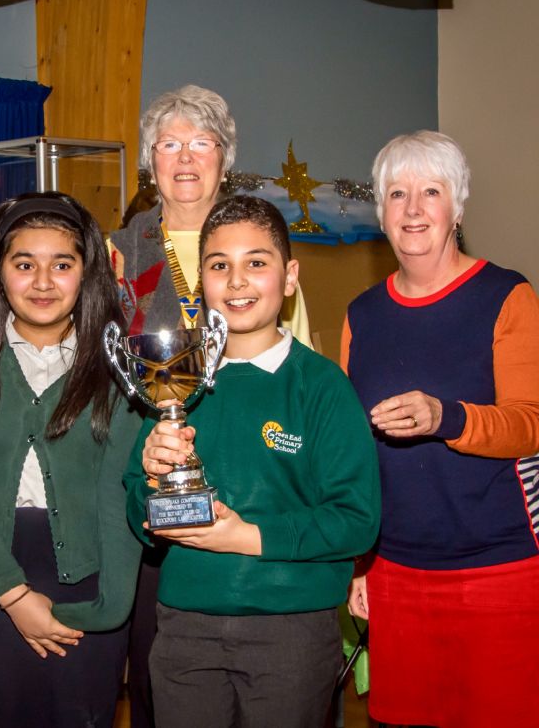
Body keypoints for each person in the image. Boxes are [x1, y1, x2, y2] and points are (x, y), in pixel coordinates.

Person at [126, 195, 380, 728]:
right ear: (202, 282)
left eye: (256, 263)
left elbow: (357, 521)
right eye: (220, 266)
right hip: (184, 631)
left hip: (291, 632)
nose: (237, 281)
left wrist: (249, 537)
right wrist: (150, 477)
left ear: (289, 278)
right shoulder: (175, 380)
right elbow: (137, 509)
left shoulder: (322, 386)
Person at [110, 84, 314, 727]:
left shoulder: (258, 243)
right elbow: (101, 366)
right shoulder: (120, 253)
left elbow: (299, 367)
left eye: (203, 142)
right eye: (169, 144)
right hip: (149, 476)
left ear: (226, 158)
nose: (186, 157)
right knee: (162, 675)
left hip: (260, 481)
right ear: (151, 162)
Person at [343, 130, 539, 728]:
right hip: (396, 573)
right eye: (396, 193)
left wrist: (445, 416)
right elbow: (357, 452)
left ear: (458, 205)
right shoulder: (363, 314)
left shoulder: (508, 296)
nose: (412, 208)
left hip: (498, 569)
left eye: (431, 191)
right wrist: (359, 564)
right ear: (381, 212)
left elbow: (530, 425)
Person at [0, 192, 142, 728]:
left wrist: (114, 606)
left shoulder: (119, 366)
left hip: (90, 578)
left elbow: (123, 493)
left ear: (86, 273)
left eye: (61, 265)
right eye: (24, 264)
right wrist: (13, 594)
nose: (43, 282)